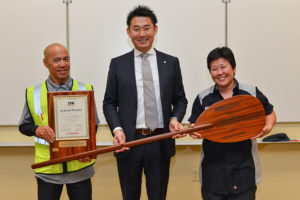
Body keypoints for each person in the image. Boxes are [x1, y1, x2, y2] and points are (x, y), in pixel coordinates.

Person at [103, 5, 187, 200]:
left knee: (158, 196)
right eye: (136, 29)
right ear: (128, 32)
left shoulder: (171, 62)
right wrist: (117, 130)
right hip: (129, 143)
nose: (142, 34)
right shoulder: (118, 64)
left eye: (147, 28)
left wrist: (175, 118)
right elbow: (109, 103)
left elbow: (180, 99)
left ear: (155, 30)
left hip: (159, 141)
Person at [188, 47, 276, 200]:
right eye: (214, 69)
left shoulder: (251, 92)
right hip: (213, 173)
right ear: (210, 73)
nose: (219, 72)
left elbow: (269, 112)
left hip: (244, 170)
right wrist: (192, 131)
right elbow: (194, 125)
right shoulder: (203, 97)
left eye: (223, 67)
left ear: (234, 68)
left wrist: (268, 127)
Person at [18, 43, 100, 200]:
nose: (63, 64)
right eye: (56, 60)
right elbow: (24, 126)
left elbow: (93, 125)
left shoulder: (85, 89)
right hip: (48, 170)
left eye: (66, 59)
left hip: (80, 169)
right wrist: (37, 130)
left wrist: (87, 149)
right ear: (45, 63)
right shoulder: (33, 93)